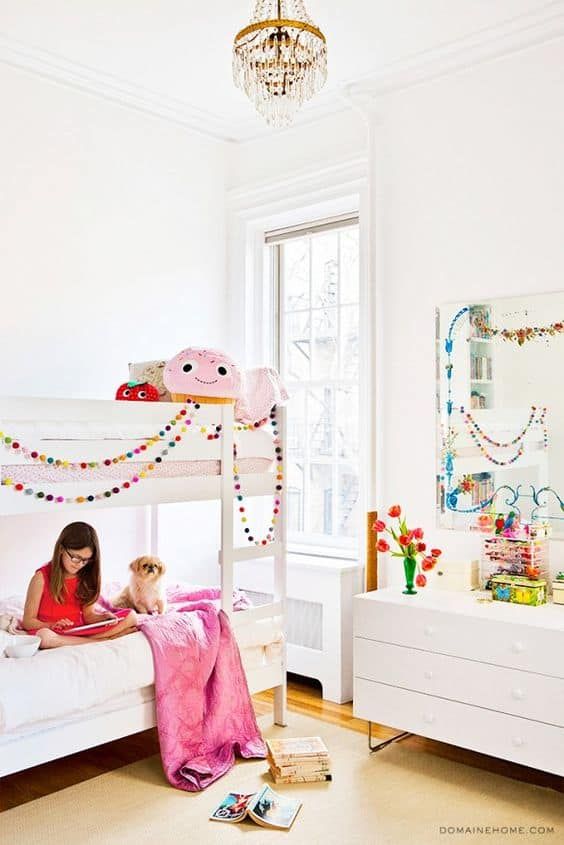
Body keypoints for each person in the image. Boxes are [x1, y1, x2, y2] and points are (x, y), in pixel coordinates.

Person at [23, 521, 137, 649]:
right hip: (53, 632)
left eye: (85, 560)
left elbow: (88, 616)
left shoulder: (85, 577)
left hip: (79, 630)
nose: (79, 564)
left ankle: (85, 641)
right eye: (75, 557)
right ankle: (105, 640)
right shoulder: (40, 578)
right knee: (44, 637)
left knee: (131, 616)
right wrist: (51, 625)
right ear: (61, 549)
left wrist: (103, 618)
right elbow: (28, 621)